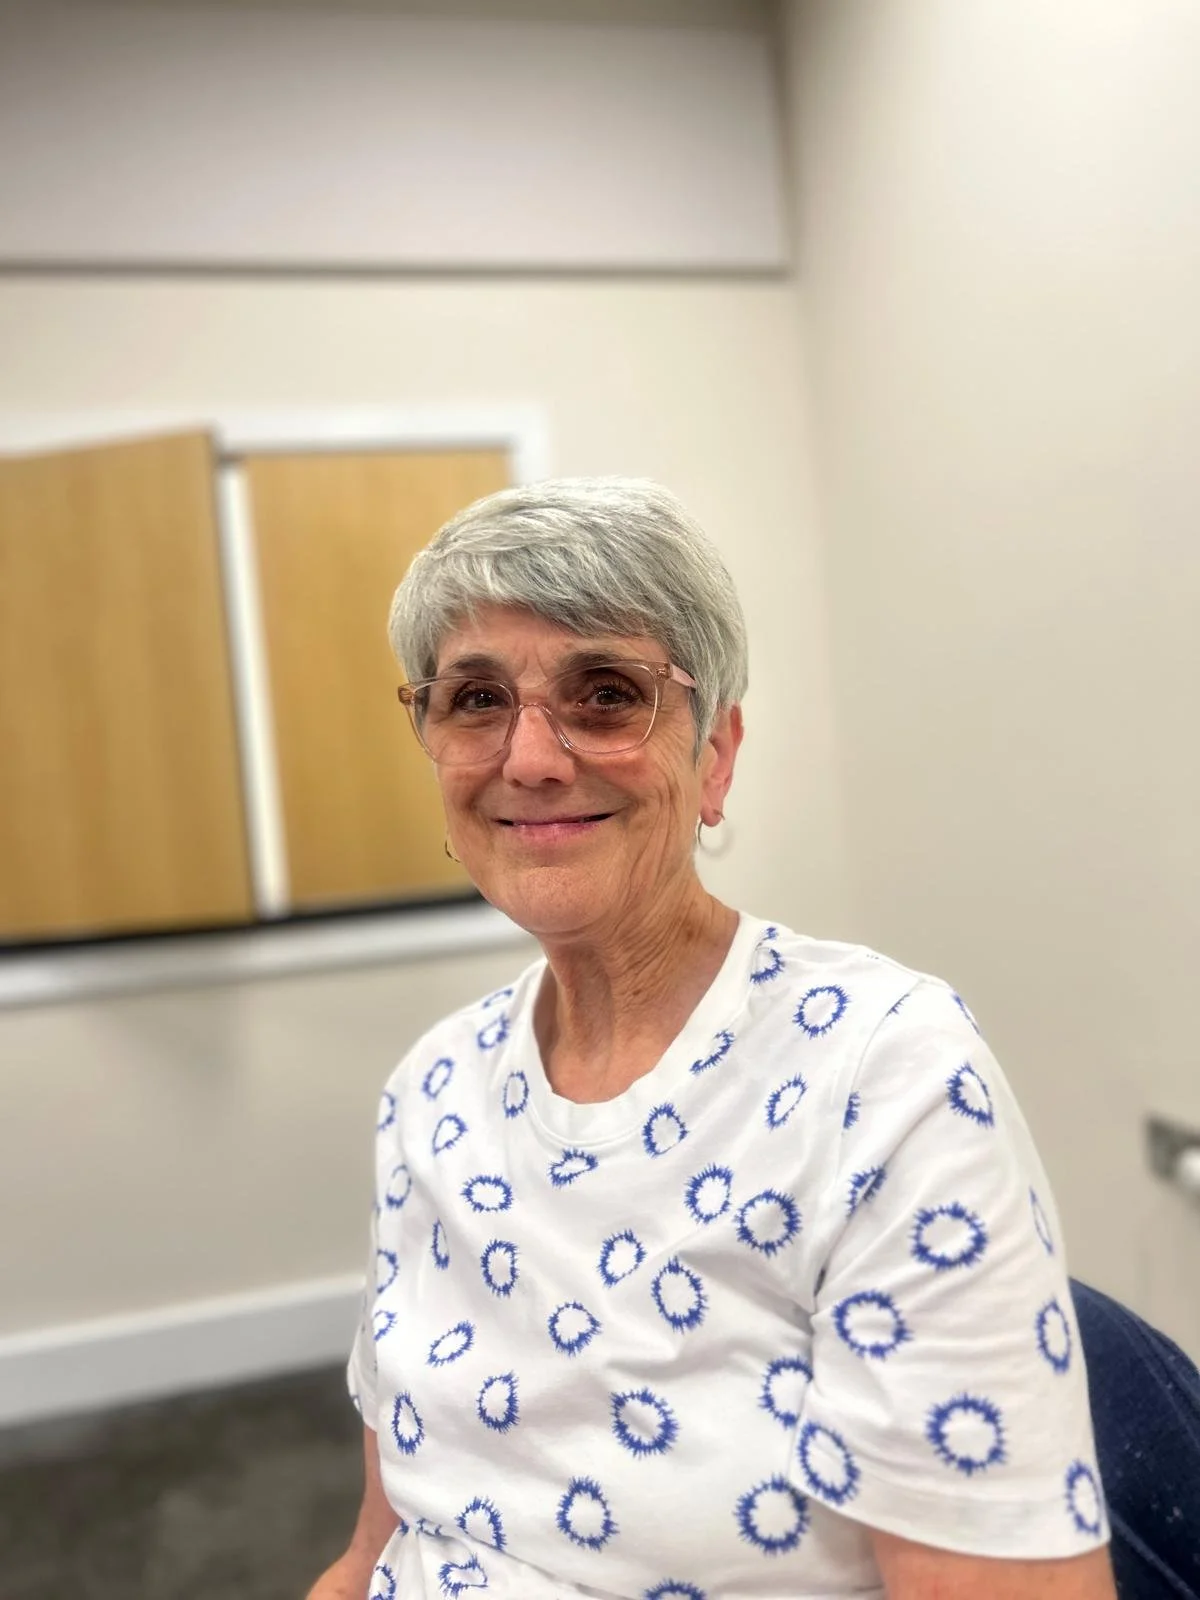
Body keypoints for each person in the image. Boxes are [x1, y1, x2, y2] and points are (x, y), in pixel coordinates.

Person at [307, 479, 1118, 1600]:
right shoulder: (430, 1087)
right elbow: (378, 1544)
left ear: (717, 756)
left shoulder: (882, 1075)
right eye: (475, 699)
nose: (530, 758)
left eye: (604, 694)